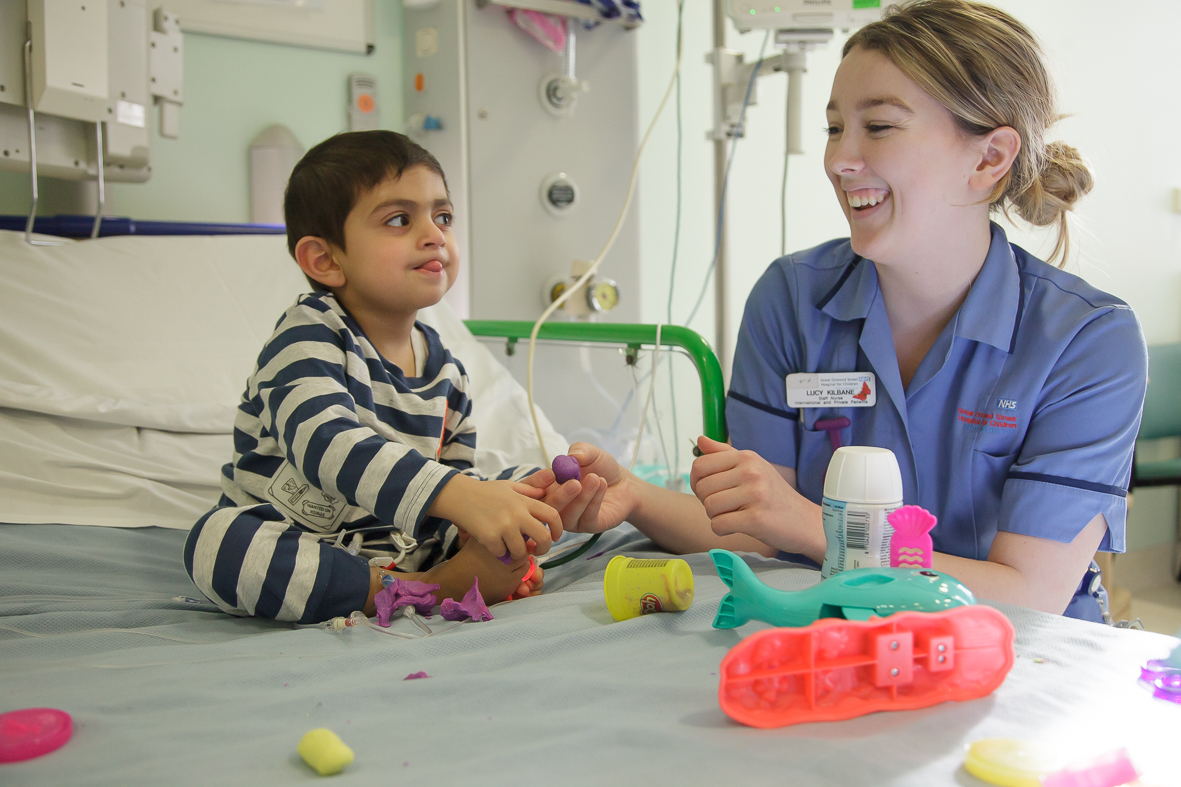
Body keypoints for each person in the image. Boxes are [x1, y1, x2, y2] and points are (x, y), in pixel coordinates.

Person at [533, 0, 1146, 622]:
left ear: (988, 159)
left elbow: (1029, 593)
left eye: (877, 127)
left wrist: (813, 525)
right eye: (833, 129)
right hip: (836, 642)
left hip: (1014, 660)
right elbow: (758, 531)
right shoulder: (792, 300)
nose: (839, 160)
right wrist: (634, 497)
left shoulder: (1087, 342)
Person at [184, 131, 581, 624]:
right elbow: (324, 442)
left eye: (443, 217)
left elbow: (455, 482)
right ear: (325, 259)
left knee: (519, 485)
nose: (435, 234)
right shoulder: (310, 334)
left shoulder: (448, 373)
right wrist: (461, 497)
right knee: (217, 544)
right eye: (399, 219)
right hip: (299, 539)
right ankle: (430, 590)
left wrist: (512, 509)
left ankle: (475, 564)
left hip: (402, 542)